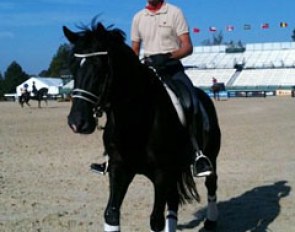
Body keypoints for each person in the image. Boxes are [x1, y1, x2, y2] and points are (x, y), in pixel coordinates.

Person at [91, 0, 213, 177]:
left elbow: (187, 46)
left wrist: (167, 56)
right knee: (121, 105)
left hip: (171, 68)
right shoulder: (138, 17)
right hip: (147, 69)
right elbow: (135, 49)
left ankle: (197, 153)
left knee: (189, 101)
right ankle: (113, 156)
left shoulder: (174, 12)